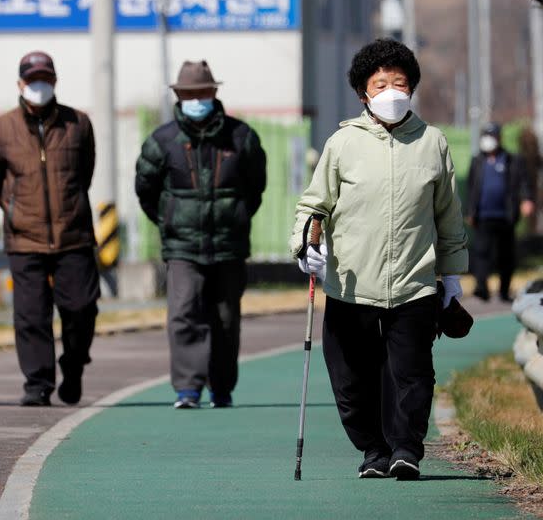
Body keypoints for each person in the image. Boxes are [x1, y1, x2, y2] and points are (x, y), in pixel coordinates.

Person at [291, 38, 468, 479]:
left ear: (412, 89)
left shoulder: (433, 143)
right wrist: (306, 247)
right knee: (352, 382)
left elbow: (448, 215)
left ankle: (406, 449)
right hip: (351, 285)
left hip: (414, 283)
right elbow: (314, 205)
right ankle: (373, 450)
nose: (391, 91)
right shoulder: (341, 143)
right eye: (381, 83)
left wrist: (452, 278)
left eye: (400, 83)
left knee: (412, 376)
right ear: (363, 94)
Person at [135, 60, 267, 409]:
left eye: (202, 93)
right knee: (183, 313)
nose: (197, 99)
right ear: (179, 96)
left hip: (229, 246)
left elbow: (256, 186)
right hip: (182, 246)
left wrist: (235, 216)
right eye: (189, 94)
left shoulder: (241, 137)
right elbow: (145, 190)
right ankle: (187, 389)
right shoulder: (162, 141)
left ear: (214, 93)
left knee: (225, 318)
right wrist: (169, 220)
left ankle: (221, 387)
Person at [0, 51, 99, 407]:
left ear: (55, 82)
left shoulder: (78, 123)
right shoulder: (2, 127)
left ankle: (75, 366)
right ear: (19, 84)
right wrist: (14, 209)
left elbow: (85, 171)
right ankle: (38, 383)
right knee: (31, 316)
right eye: (32, 80)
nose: (39, 86)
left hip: (73, 235)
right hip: (25, 238)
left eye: (45, 79)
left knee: (81, 308)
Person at [465, 122, 535, 302]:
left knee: (506, 255)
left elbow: (524, 182)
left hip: (506, 216)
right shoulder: (477, 160)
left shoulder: (511, 159)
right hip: (483, 217)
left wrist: (527, 199)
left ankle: (504, 291)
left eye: (493, 136)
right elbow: (471, 187)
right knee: (481, 253)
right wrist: (470, 211)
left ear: (499, 138)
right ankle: (482, 289)